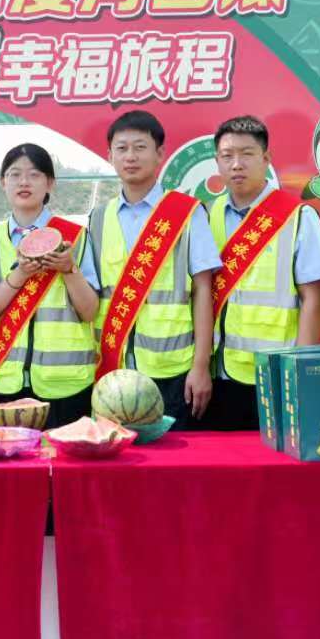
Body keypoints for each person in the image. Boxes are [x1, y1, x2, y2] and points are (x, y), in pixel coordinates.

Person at [86, 110, 220, 429]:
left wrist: (201, 366)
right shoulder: (98, 218)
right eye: (121, 148)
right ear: (110, 155)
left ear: (160, 154)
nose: (130, 156)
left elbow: (204, 290)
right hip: (114, 366)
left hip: (172, 368)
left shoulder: (186, 213)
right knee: (116, 454)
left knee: (172, 455)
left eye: (140, 147)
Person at [204, 116, 320, 430]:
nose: (236, 164)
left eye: (247, 154)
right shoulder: (207, 214)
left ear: (266, 158)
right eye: (227, 156)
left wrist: (300, 370)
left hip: (276, 373)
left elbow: (314, 298)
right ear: (217, 161)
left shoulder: (297, 216)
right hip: (218, 373)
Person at [0, 144, 101, 429]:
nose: (24, 182)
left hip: (66, 382)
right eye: (14, 174)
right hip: (7, 381)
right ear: (3, 182)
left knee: (65, 457)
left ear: (50, 183)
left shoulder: (76, 237)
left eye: (34, 174)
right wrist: (19, 276)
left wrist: (68, 270)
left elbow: (90, 311)